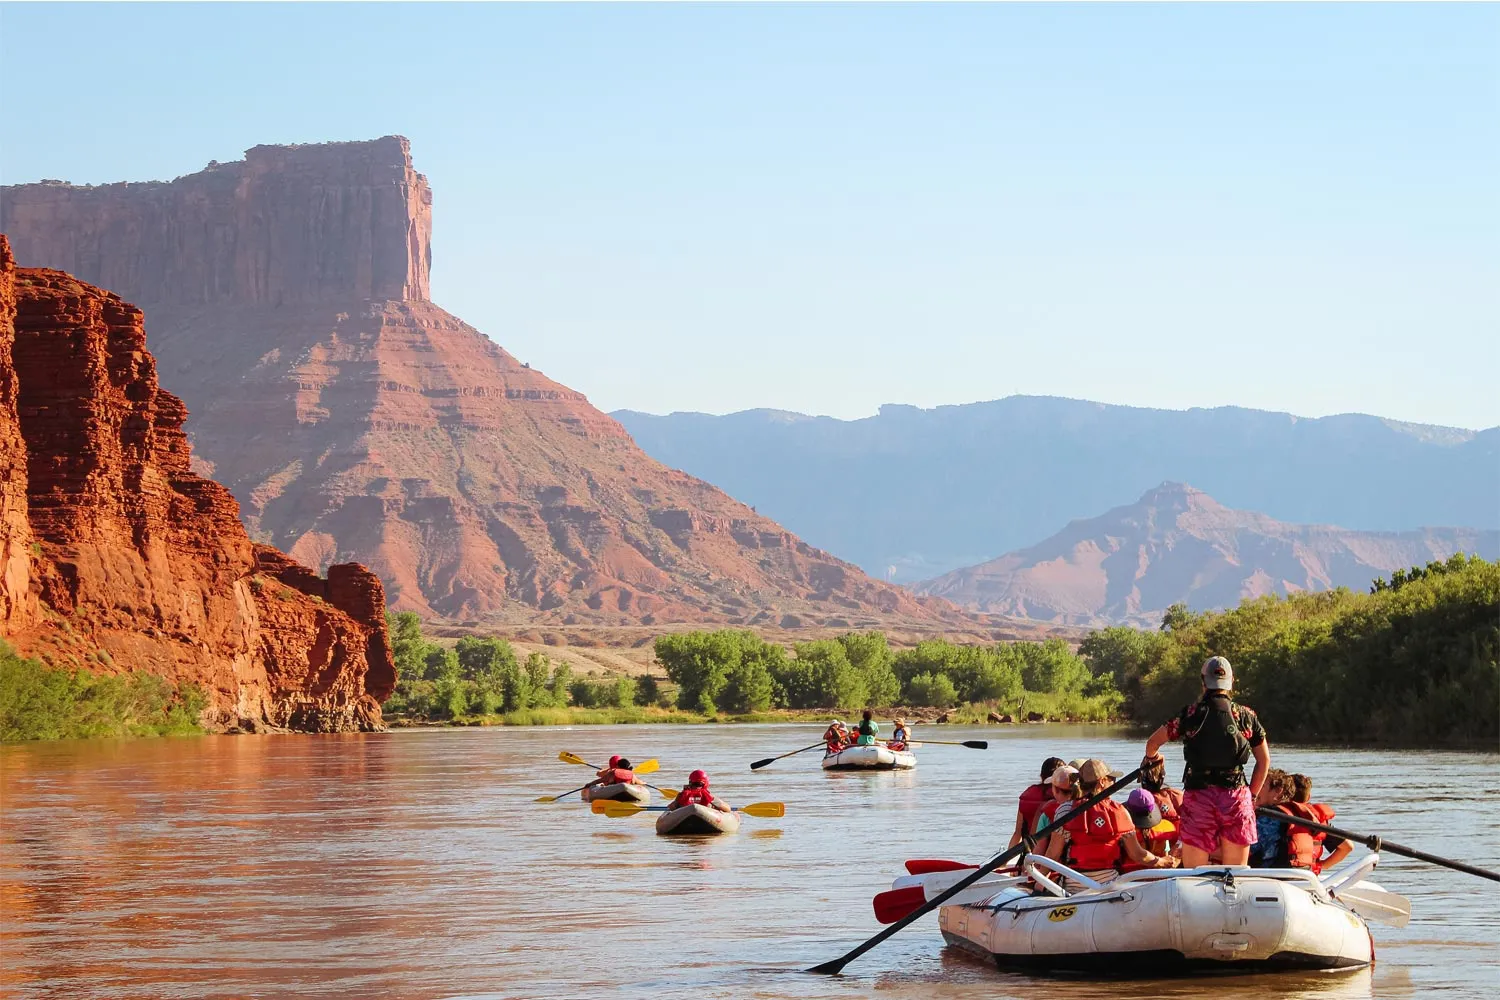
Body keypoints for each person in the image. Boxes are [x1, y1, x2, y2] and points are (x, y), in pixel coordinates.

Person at [1143, 656, 1270, 868]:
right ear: (1231, 682)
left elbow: (1152, 744)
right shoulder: (1246, 716)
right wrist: (1252, 795)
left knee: (1195, 875)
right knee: (1235, 876)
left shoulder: (1190, 714)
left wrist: (1154, 759)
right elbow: (1263, 761)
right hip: (1236, 799)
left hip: (1199, 798)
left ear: (1204, 682)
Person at [1047, 759, 1175, 880]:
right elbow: (1138, 854)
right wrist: (1163, 862)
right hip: (1110, 885)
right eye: (1111, 779)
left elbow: (1053, 855)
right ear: (1102, 782)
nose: (1113, 782)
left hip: (1074, 884)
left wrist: (1037, 883)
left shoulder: (1065, 810)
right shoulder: (1120, 811)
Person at [1275, 774, 1351, 872]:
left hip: (1285, 874)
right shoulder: (1319, 821)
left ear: (1284, 794)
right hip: (1309, 874)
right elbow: (1347, 847)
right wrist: (1321, 865)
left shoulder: (1279, 816)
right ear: (1308, 797)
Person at [1009, 756, 1066, 849]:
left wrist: (1006, 861)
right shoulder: (1062, 797)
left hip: (1030, 850)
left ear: (1041, 776)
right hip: (1052, 853)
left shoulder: (1027, 795)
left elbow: (1017, 833)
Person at [1120, 789, 1180, 871]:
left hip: (1129, 874)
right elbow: (1181, 843)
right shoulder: (1167, 827)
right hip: (1159, 873)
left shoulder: (1122, 832)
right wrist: (1173, 859)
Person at [1248, 769, 1294, 867]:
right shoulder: (1292, 813)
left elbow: (1247, 847)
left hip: (1268, 874)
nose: (1254, 789)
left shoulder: (1269, 819)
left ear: (1278, 791)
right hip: (1297, 873)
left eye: (1261, 785)